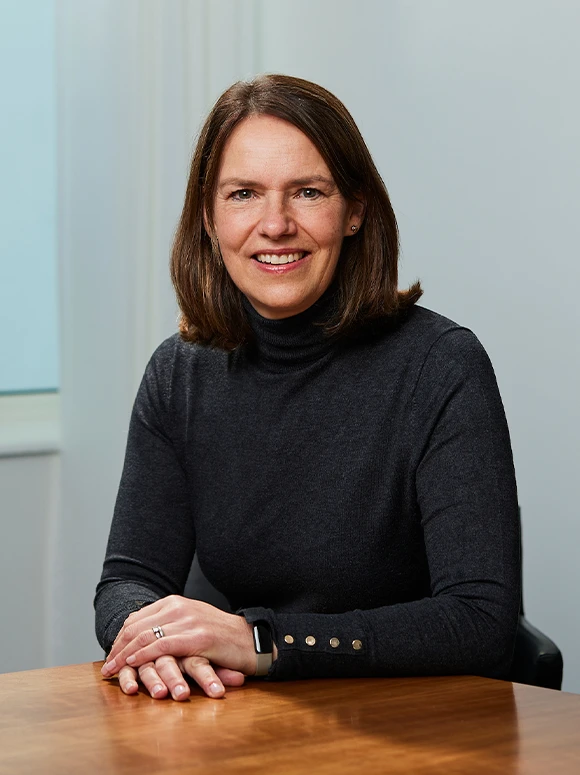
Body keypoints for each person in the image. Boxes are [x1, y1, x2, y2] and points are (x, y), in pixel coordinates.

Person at [96, 74, 520, 702]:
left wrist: (263, 642)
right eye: (243, 194)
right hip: (251, 723)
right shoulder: (178, 373)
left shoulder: (441, 365)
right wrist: (156, 637)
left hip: (418, 728)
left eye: (307, 192)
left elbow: (483, 622)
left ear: (355, 211)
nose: (275, 224)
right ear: (210, 221)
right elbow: (127, 580)